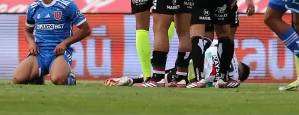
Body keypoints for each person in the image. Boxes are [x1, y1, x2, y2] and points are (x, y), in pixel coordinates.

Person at [12, 0, 91, 85]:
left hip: (59, 53)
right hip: (39, 53)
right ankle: (38, 76)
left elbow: (86, 30)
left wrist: (64, 43)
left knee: (58, 79)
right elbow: (27, 31)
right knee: (17, 79)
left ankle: (71, 78)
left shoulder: (67, 5)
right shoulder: (34, 7)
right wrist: (31, 43)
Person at [105, 39, 251, 87]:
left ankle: (135, 80)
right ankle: (133, 81)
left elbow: (207, 42)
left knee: (169, 74)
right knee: (170, 77)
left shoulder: (231, 54)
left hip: (194, 62)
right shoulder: (231, 78)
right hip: (198, 75)